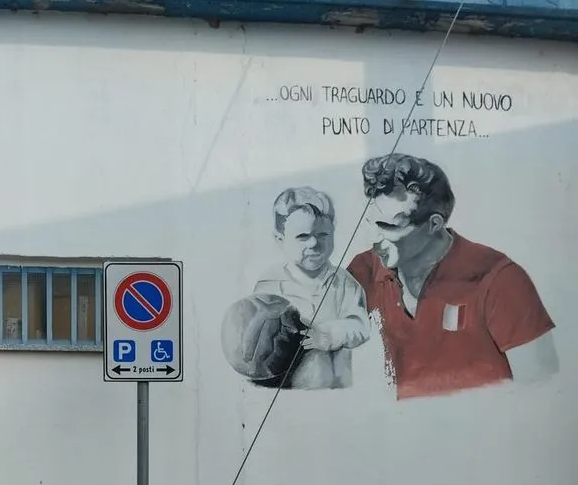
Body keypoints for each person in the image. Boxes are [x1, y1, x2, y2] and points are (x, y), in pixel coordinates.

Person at [347, 153, 558, 400]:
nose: (372, 239)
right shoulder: (365, 269)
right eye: (370, 222)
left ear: (434, 224)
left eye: (389, 227)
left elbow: (544, 390)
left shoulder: (501, 279)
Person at [221, 186, 370, 389]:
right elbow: (251, 335)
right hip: (287, 394)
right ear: (280, 239)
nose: (314, 243)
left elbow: (361, 327)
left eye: (323, 234)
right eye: (303, 236)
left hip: (333, 392)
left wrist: (327, 335)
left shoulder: (345, 282)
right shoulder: (270, 283)